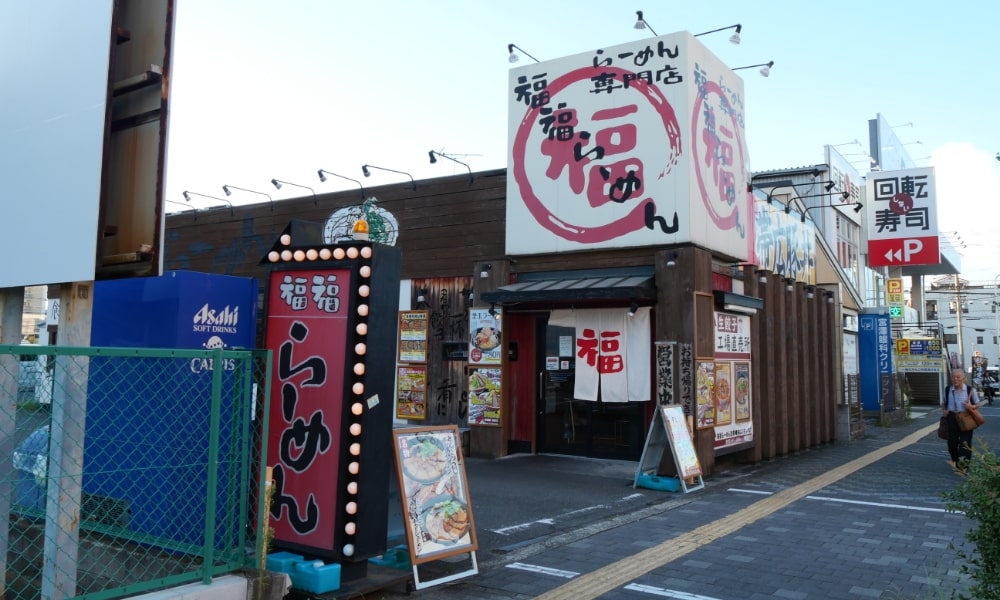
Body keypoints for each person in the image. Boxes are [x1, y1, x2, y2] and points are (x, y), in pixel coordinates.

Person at [942, 368, 981, 472]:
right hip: (952, 418)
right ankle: (956, 460)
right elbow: (943, 403)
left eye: (958, 377)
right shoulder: (947, 389)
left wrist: (970, 407)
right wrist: (944, 411)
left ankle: (963, 465)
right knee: (952, 444)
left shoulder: (970, 390)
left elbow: (977, 404)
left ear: (963, 378)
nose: (955, 379)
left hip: (966, 418)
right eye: (953, 377)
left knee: (965, 443)